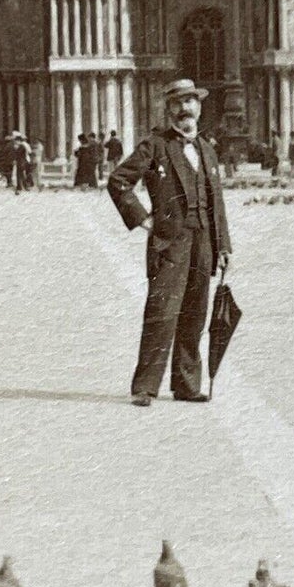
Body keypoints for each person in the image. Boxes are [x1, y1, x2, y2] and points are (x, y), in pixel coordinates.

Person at [108, 77, 231, 408]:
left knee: (195, 314)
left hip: (203, 243)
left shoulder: (207, 149)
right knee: (162, 313)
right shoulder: (156, 146)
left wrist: (223, 247)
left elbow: (216, 202)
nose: (184, 109)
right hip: (170, 244)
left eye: (190, 101)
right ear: (169, 109)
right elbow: (119, 180)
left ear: (199, 107)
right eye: (177, 103)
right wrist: (143, 218)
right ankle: (145, 387)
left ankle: (187, 385)